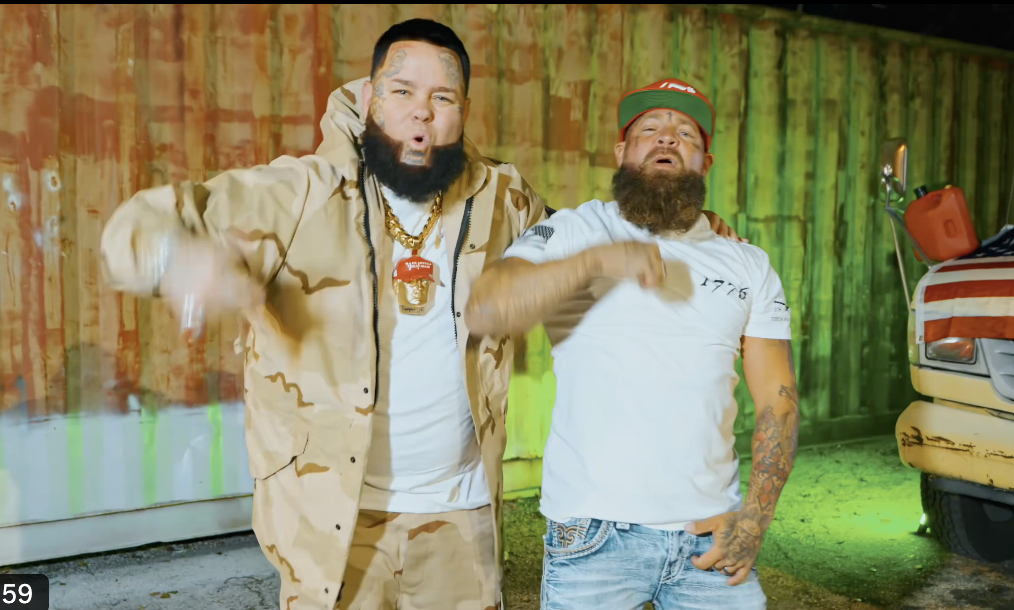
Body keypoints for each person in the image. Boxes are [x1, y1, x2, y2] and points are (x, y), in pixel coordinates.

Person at [99, 17, 740, 609]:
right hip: (334, 524)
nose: (422, 114)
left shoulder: (502, 198)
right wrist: (176, 259)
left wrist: (686, 226)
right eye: (402, 91)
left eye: (443, 98)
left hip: (461, 520)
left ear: (464, 110)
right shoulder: (298, 193)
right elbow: (138, 227)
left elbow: (583, 243)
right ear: (370, 97)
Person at [465, 78, 800, 610]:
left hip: (709, 537)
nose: (667, 138)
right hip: (594, 537)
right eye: (650, 129)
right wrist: (601, 261)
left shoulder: (748, 262)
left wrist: (755, 519)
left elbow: (777, 402)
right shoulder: (575, 231)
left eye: (685, 133)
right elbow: (487, 309)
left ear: (706, 162)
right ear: (621, 152)